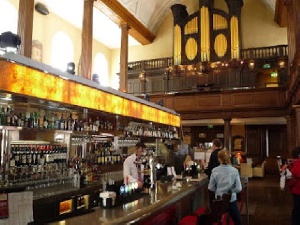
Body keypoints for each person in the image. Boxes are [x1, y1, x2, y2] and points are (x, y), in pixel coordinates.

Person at [208, 149, 242, 225]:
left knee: (217, 219)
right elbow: (239, 188)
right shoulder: (234, 171)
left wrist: (218, 189)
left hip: (219, 200)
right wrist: (230, 190)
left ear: (219, 159)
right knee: (238, 221)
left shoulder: (215, 170)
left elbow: (210, 187)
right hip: (231, 200)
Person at [286, 146, 300, 225]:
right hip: (297, 190)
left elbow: (295, 175)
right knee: (297, 209)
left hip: (296, 190)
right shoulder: (297, 163)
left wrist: (290, 185)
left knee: (297, 209)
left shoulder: (295, 163)